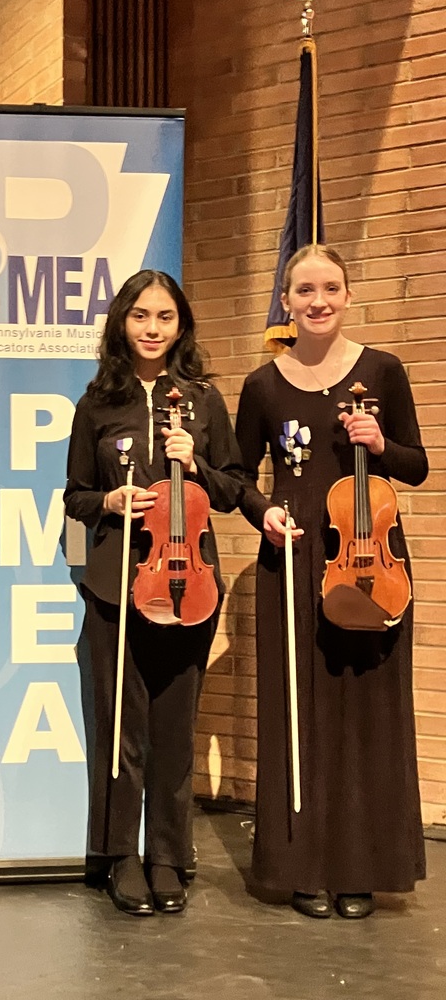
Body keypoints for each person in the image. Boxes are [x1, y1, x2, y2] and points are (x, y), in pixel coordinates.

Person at [236, 243, 428, 920]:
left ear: (348, 296)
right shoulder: (262, 385)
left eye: (331, 288)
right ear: (285, 302)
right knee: (301, 712)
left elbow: (417, 467)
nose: (318, 301)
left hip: (370, 555)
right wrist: (263, 514)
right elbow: (235, 477)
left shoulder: (383, 371)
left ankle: (361, 870)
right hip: (293, 556)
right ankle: (302, 869)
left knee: (368, 715)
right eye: (304, 290)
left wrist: (380, 444)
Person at [64, 270, 244, 916]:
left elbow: (233, 488)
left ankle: (167, 854)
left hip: (188, 584)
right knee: (122, 730)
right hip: (116, 586)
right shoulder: (96, 404)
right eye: (141, 316)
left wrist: (194, 460)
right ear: (122, 323)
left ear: (181, 325)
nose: (153, 328)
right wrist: (110, 499)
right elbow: (74, 498)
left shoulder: (202, 401)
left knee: (175, 727)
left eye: (165, 317)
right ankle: (118, 855)